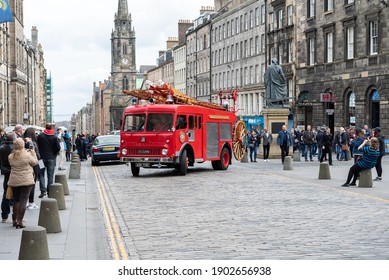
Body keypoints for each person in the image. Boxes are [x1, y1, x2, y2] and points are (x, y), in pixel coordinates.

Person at [8, 138, 38, 228]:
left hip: (14, 180)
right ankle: (19, 221)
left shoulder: (10, 156)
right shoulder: (27, 155)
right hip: (26, 180)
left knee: (16, 200)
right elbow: (35, 163)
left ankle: (14, 220)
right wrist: (33, 153)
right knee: (23, 201)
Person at [37, 124, 61, 198]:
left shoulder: (40, 136)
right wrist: (54, 153)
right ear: (52, 128)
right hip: (51, 158)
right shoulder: (54, 137)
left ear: (45, 127)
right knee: (50, 176)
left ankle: (43, 190)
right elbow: (58, 148)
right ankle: (49, 191)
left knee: (41, 174)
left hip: (41, 158)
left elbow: (37, 146)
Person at [23, 127, 40, 210]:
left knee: (25, 184)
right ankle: (31, 202)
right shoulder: (32, 143)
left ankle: (25, 201)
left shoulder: (22, 141)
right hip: (33, 165)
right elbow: (36, 155)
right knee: (32, 184)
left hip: (25, 165)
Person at [0, 132, 14, 223]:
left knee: (6, 193)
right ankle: (16, 217)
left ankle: (4, 215)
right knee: (17, 195)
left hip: (6, 172)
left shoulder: (1, 147)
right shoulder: (15, 149)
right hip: (15, 173)